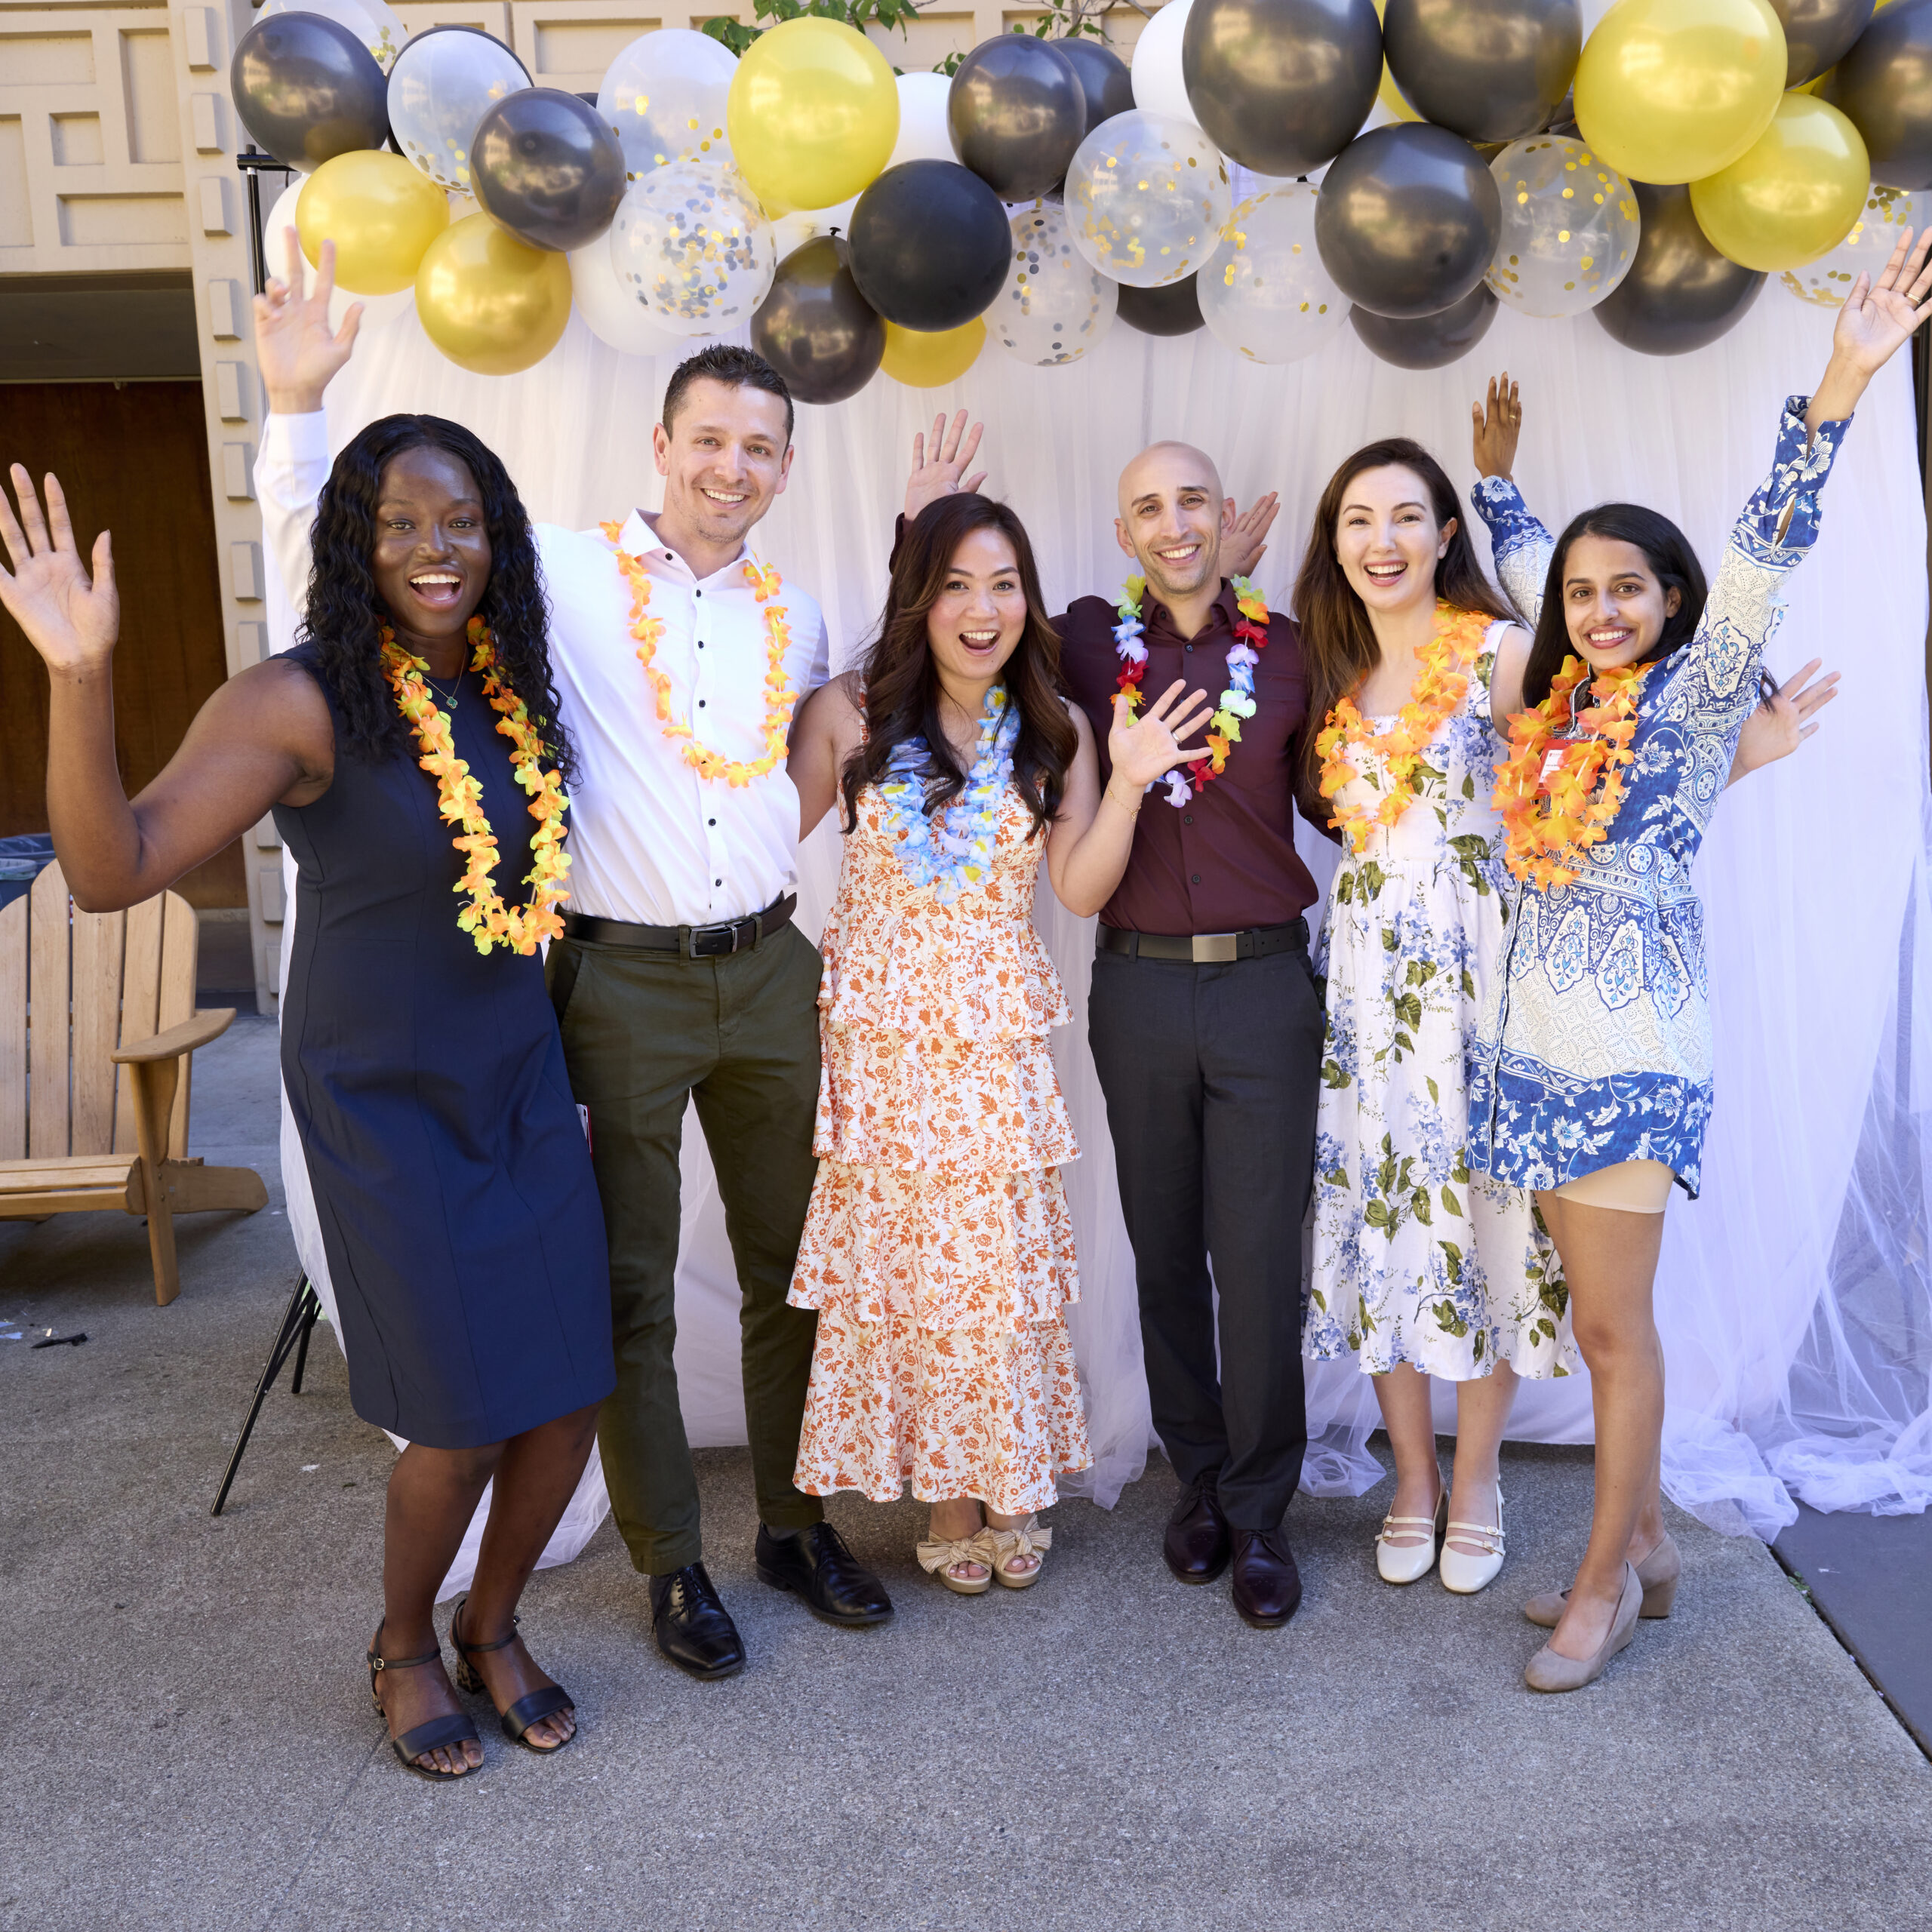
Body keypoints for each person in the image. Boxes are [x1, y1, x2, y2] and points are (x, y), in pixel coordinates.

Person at [252, 238, 891, 1684]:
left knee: (802, 1266)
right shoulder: (566, 581)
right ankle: (675, 1565)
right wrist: (297, 409)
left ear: (786, 467)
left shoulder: (786, 608)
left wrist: (917, 547)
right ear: (662, 446)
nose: (732, 467)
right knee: (631, 1289)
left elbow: (817, 741)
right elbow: (349, 569)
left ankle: (794, 1522)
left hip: (773, 966)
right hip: (618, 979)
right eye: (710, 440)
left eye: (760, 448)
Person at [0, 415, 614, 1779]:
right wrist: (81, 673)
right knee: (456, 1416)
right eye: (399, 523)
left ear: (495, 535)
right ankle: (403, 1642)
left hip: (515, 1073)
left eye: (457, 521)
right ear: (357, 541)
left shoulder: (513, 680)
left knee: (572, 1388)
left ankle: (492, 1626)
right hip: (379, 1095)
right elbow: (112, 870)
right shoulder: (298, 701)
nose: (433, 549)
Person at [1463, 232, 1932, 1690]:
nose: (1601, 610)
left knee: (1613, 1332)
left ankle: (1604, 1580)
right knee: (1589, 1314)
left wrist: (1844, 376)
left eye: (1631, 591)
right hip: (1530, 1046)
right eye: (1586, 596)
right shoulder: (1559, 710)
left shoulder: (1692, 698)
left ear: (1675, 606)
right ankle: (1650, 1539)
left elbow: (1763, 547)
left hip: (1634, 1050)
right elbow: (1539, 564)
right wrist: (1495, 482)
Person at [1294, 431, 1835, 1598]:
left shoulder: (1500, 653)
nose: (1380, 541)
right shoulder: (1334, 674)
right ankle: (1433, 1486)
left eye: (1405, 516)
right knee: (1399, 1225)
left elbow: (1613, 742)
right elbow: (1587, 639)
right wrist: (1500, 485)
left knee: (1497, 1238)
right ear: (1334, 546)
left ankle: (1496, 1489)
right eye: (1356, 521)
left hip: (1499, 986)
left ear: (1442, 536)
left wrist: (1739, 749)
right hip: (1385, 994)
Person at [905, 417, 1318, 1629]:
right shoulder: (1085, 637)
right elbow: (953, 638)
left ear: (1224, 512)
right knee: (1163, 1245)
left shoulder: (1291, 650)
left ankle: (1262, 1511)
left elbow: (1351, 777)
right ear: (1123, 529)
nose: (1175, 524)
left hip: (1264, 987)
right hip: (1135, 983)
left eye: (1195, 501)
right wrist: (919, 523)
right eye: (1149, 509)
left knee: (1256, 1260)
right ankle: (1196, 1477)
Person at [784, 492, 1217, 1592]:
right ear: (920, 597)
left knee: (993, 1273)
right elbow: (748, 846)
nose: (983, 610)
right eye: (956, 586)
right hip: (882, 1036)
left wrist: (1122, 784)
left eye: (1005, 585)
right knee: (911, 1273)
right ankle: (951, 1500)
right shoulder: (848, 713)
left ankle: (1011, 1487)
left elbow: (1077, 886)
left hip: (990, 1038)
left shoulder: (1054, 730)